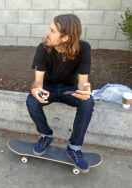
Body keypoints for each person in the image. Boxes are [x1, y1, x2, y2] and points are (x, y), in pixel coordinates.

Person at [26, 14, 95, 173]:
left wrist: (85, 91)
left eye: (51, 31)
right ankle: (45, 135)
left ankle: (74, 148)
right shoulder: (42, 48)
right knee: (31, 101)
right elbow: (38, 82)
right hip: (47, 88)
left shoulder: (84, 49)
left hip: (69, 89)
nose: (46, 33)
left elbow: (83, 82)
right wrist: (35, 89)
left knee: (88, 102)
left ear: (65, 38)